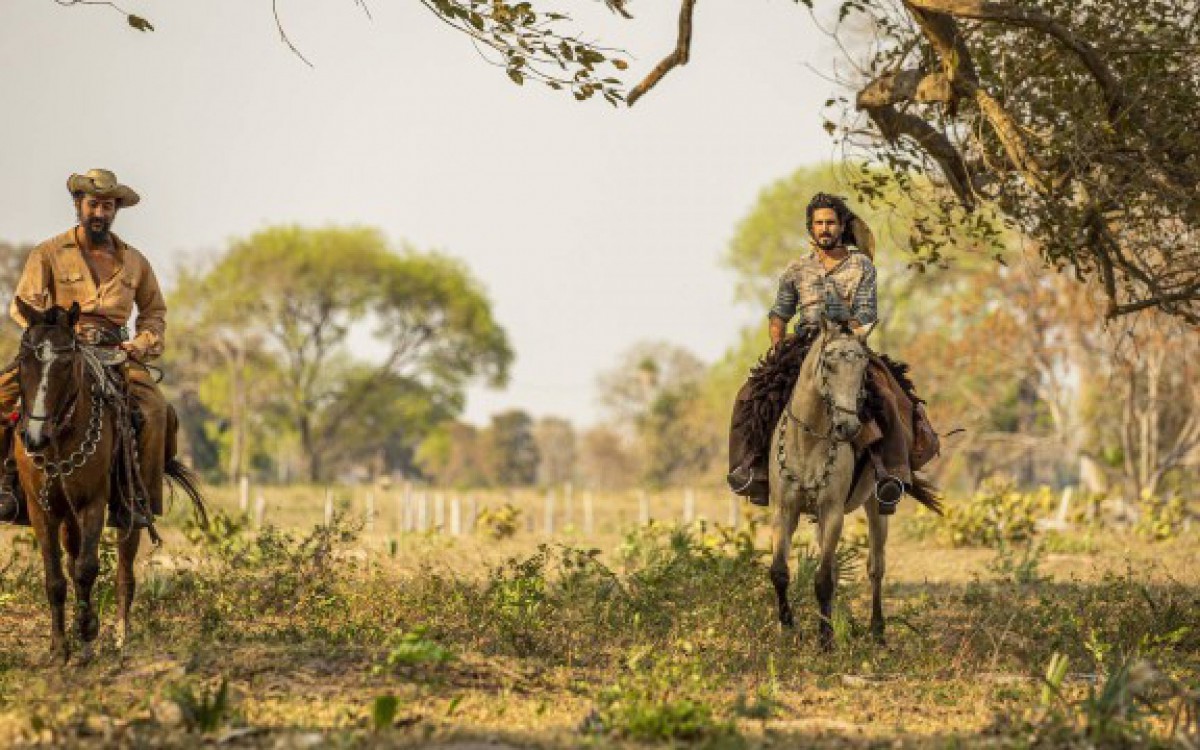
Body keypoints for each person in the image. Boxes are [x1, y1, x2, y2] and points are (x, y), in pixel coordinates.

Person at [726, 192, 938, 512]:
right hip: (802, 346)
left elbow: (866, 316)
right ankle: (751, 468)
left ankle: (890, 474)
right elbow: (779, 313)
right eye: (819, 223)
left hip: (848, 345)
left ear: (842, 226)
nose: (824, 228)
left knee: (886, 396)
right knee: (749, 394)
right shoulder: (796, 268)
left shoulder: (861, 266)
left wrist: (846, 322)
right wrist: (777, 342)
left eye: (830, 222)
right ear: (810, 228)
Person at [0, 169, 168, 528]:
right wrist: (53, 331)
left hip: (114, 352)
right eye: (93, 205)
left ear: (115, 210)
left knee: (156, 410)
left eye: (107, 206)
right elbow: (22, 303)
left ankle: (139, 499)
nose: (100, 213)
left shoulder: (135, 261)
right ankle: (7, 486)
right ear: (78, 205)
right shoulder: (47, 253)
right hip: (58, 349)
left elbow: (154, 312)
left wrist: (141, 343)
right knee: (0, 397)